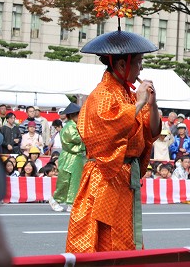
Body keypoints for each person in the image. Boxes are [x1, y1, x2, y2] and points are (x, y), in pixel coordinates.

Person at [66, 29, 161, 252]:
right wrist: (138, 103)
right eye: (138, 63)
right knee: (106, 236)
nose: (141, 69)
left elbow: (151, 131)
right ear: (121, 65)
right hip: (106, 175)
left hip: (125, 174)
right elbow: (108, 131)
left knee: (126, 233)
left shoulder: (128, 94)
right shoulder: (101, 94)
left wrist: (153, 104)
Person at [49, 103, 86, 213]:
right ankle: (56, 199)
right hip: (70, 155)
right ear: (73, 115)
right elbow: (78, 138)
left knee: (74, 180)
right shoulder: (70, 127)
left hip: (75, 156)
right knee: (66, 180)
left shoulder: (73, 125)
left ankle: (71, 202)